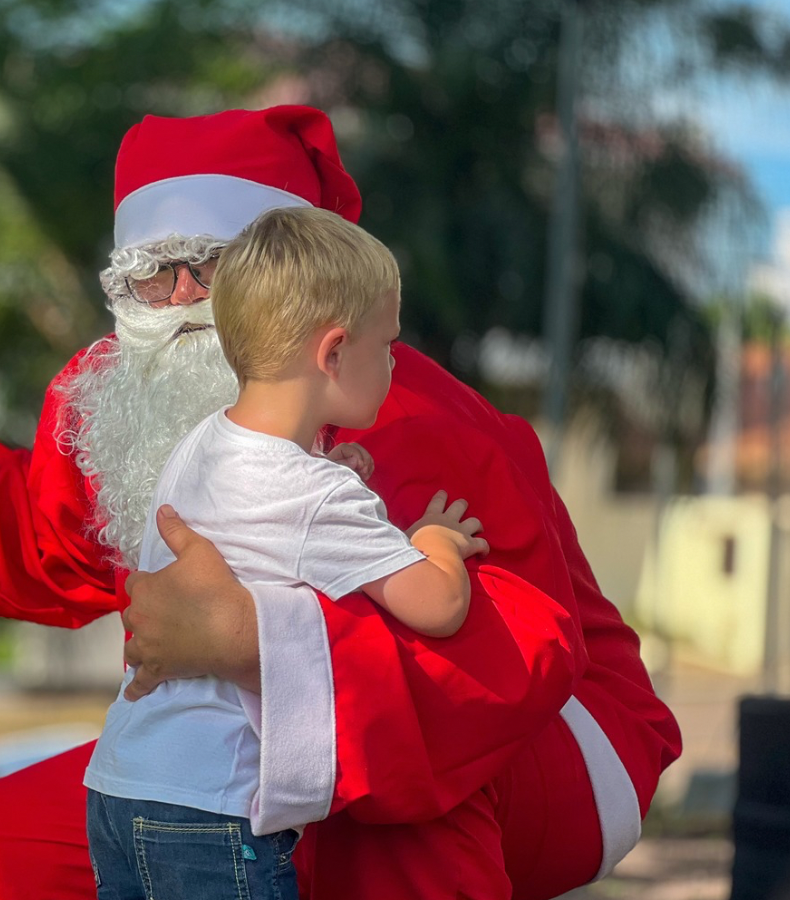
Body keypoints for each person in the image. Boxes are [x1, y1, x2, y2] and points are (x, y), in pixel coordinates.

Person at [0, 105, 681, 900]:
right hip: (252, 738)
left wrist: (251, 642)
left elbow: (513, 650)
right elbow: (49, 536)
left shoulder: (387, 406)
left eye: (213, 266)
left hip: (546, 738)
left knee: (377, 801)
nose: (181, 302)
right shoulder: (120, 389)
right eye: (150, 273)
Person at [84, 206, 490, 900]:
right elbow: (439, 605)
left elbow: (261, 523)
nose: (393, 361)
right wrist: (435, 542)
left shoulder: (203, 443)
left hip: (120, 785)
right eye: (386, 345)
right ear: (333, 352)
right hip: (211, 806)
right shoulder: (315, 492)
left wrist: (331, 471)